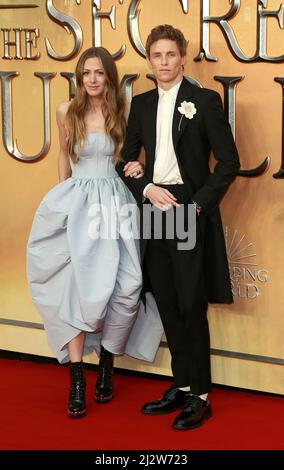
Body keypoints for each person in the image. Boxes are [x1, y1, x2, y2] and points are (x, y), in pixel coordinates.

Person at [116, 24, 240, 430]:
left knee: (190, 304)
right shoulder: (142, 103)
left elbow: (228, 163)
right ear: (149, 61)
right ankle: (183, 386)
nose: (165, 62)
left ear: (182, 57)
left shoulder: (204, 101)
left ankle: (202, 397)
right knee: (166, 301)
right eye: (157, 56)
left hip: (187, 208)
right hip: (154, 207)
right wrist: (145, 185)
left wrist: (199, 206)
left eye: (171, 55)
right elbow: (126, 160)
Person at [27, 47, 144, 418]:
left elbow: (134, 155)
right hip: (78, 201)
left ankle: (107, 361)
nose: (92, 79)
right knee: (78, 288)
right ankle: (78, 379)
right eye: (85, 73)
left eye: (98, 72)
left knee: (126, 285)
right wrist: (63, 199)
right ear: (79, 78)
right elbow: (63, 155)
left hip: (115, 200)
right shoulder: (66, 111)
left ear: (109, 76)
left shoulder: (122, 110)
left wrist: (139, 168)